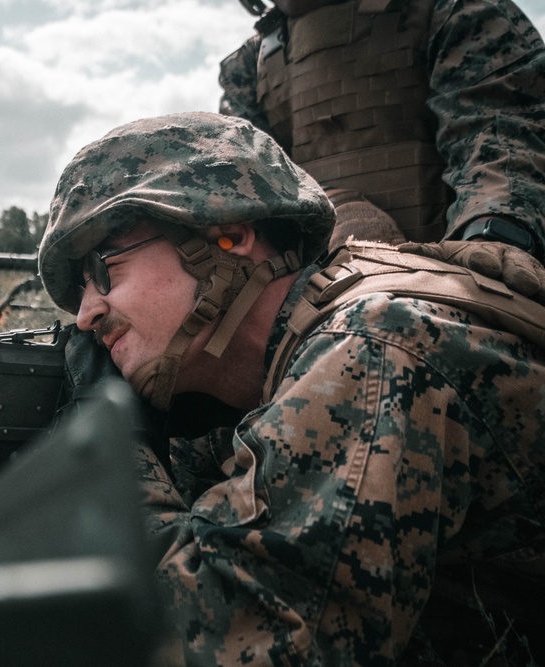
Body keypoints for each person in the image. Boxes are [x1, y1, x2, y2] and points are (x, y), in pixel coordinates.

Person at [38, 111, 545, 665]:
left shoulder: (369, 348)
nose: (87, 313)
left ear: (228, 236)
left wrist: (112, 460)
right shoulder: (271, 369)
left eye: (103, 269)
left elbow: (231, 638)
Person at [218, 0, 545, 261]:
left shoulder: (449, 11)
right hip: (310, 296)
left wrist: (490, 242)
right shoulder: (250, 64)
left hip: (451, 279)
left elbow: (504, 146)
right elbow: (240, 195)